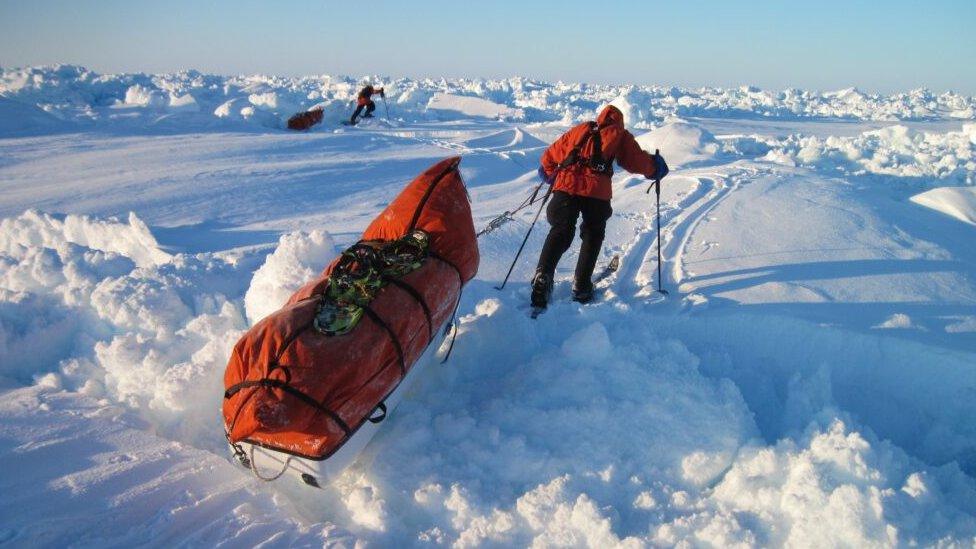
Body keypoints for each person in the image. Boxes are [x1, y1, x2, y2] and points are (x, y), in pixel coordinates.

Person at [532, 104, 669, 307]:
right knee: (593, 234)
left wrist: (553, 177)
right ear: (619, 121)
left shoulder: (581, 129)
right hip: (596, 192)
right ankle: (581, 286)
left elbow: (550, 156)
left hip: (566, 187)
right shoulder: (620, 134)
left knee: (560, 230)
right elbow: (635, 161)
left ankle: (543, 275)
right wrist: (655, 167)